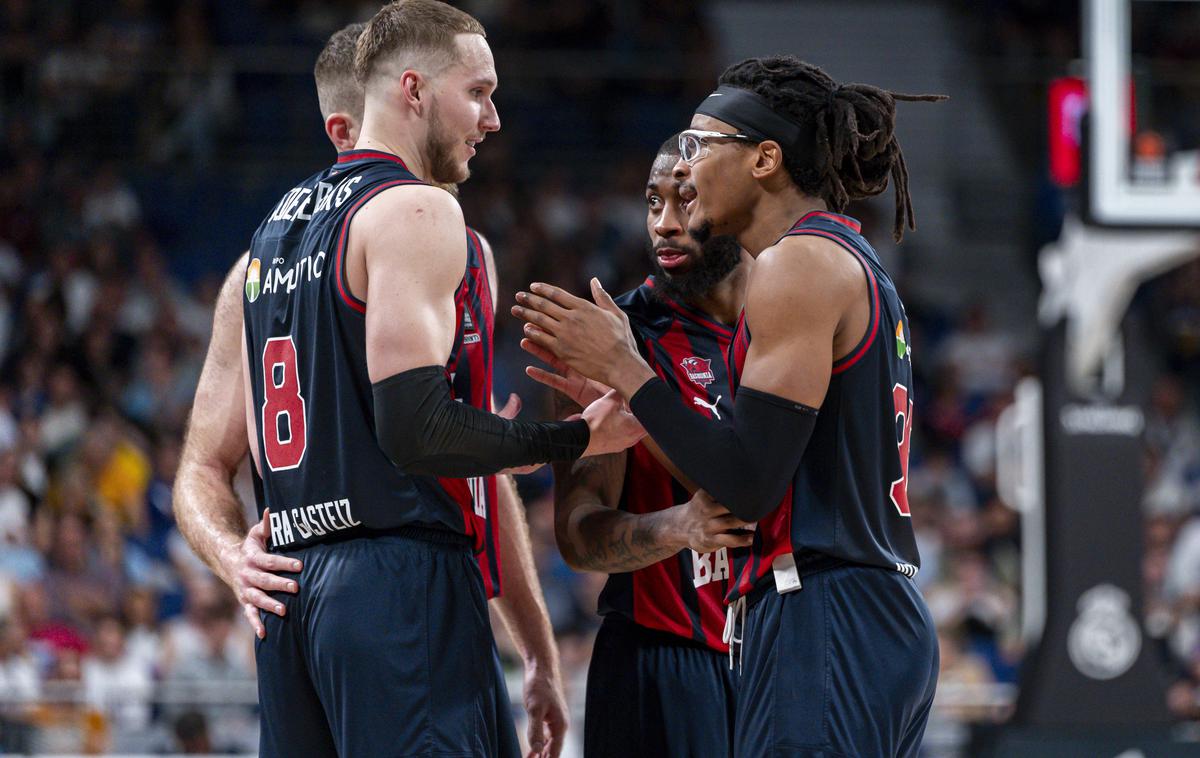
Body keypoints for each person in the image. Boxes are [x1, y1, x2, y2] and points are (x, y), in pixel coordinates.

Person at [175, 10, 630, 755]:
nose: (493, 118)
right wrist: (575, 436)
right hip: (398, 583)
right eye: (478, 93)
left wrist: (235, 559)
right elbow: (422, 434)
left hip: (294, 597)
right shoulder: (421, 215)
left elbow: (198, 467)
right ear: (413, 91)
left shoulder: (259, 253)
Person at [513, 56, 944, 757]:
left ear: (765, 160)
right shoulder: (853, 262)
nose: (687, 164)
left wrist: (625, 370)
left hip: (823, 610)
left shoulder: (795, 263)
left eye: (701, 143)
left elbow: (746, 483)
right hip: (864, 611)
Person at [537, 135, 752, 756]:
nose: (664, 224)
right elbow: (578, 534)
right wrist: (677, 527)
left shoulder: (786, 332)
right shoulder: (608, 340)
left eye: (687, 200)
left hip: (772, 650)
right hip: (660, 663)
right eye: (652, 201)